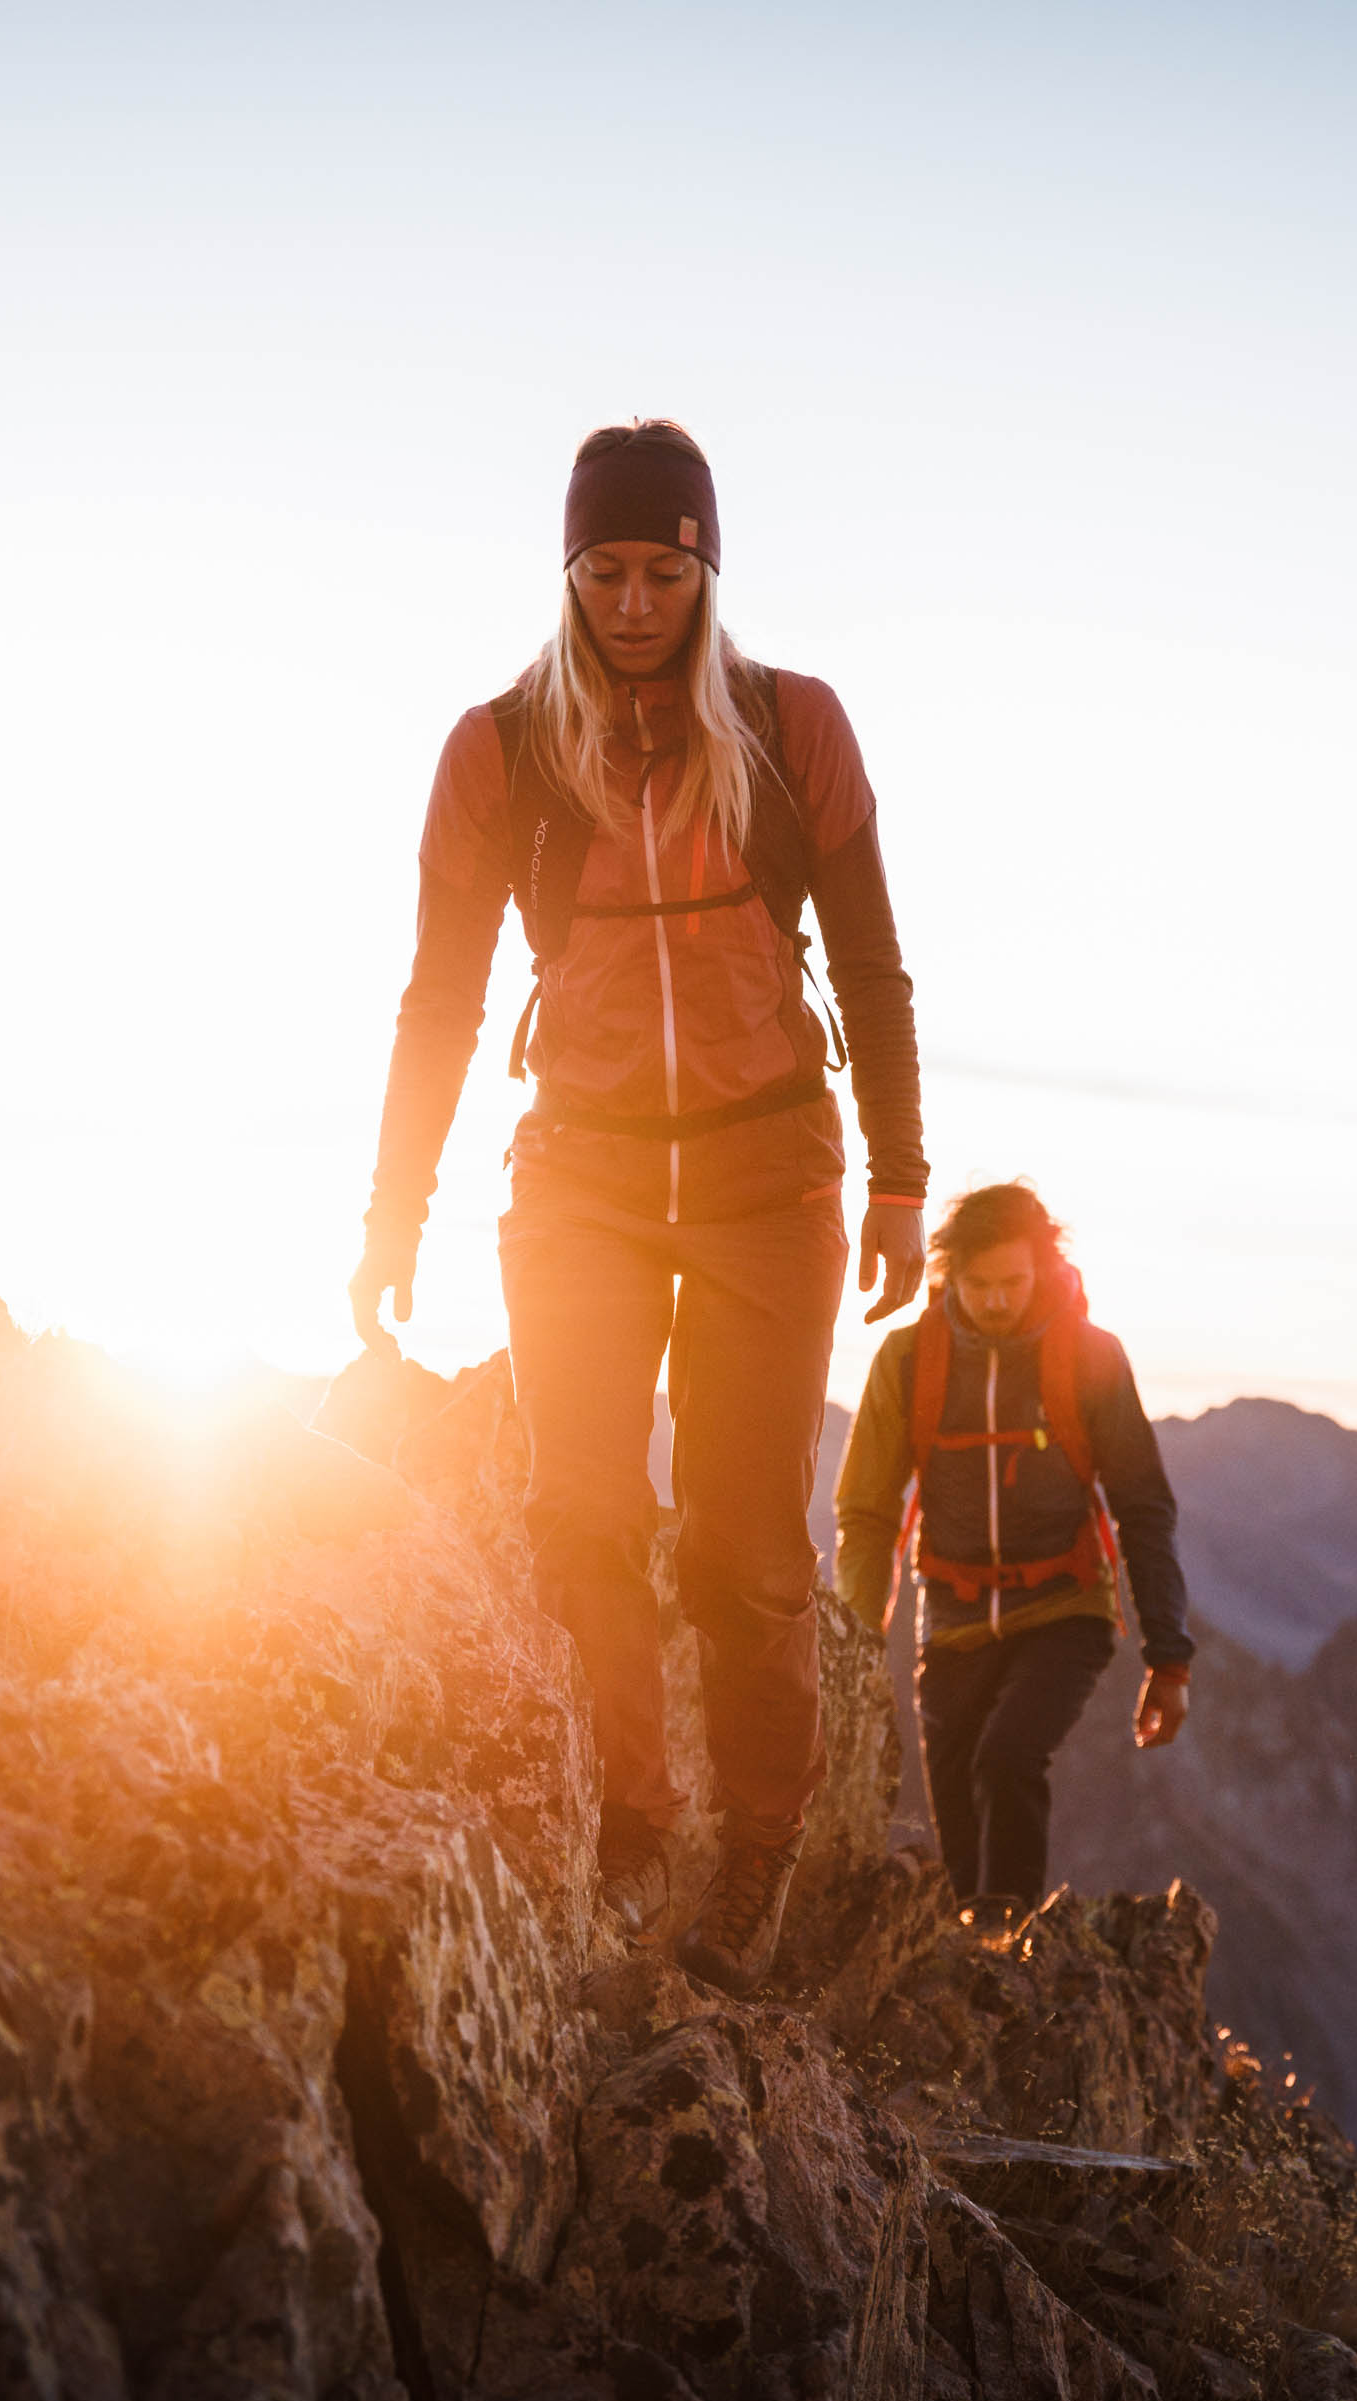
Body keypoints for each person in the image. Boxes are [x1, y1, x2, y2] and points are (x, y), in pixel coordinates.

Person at [353, 420, 928, 1990]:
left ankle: (754, 1849)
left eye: (660, 570)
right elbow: (439, 999)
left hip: (769, 1181)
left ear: (705, 570)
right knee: (581, 1517)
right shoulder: (501, 750)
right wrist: (389, 1213)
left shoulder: (793, 727)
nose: (628, 601)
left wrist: (899, 1177)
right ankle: (626, 1820)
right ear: (566, 572)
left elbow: (869, 962)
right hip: (582, 1180)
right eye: (601, 570)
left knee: (747, 1551)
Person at [833, 1182, 1193, 1938]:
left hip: (1065, 1607)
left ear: (1044, 1269)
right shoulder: (910, 1360)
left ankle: (1013, 1944)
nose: (996, 1302)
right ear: (948, 1275)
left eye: (1013, 1283)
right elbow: (866, 1510)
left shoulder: (1090, 1359)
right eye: (978, 1285)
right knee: (957, 1812)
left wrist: (1170, 1657)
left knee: (1006, 1756)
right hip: (954, 1617)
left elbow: (1143, 1504)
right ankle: (980, 1957)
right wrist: (857, 1643)